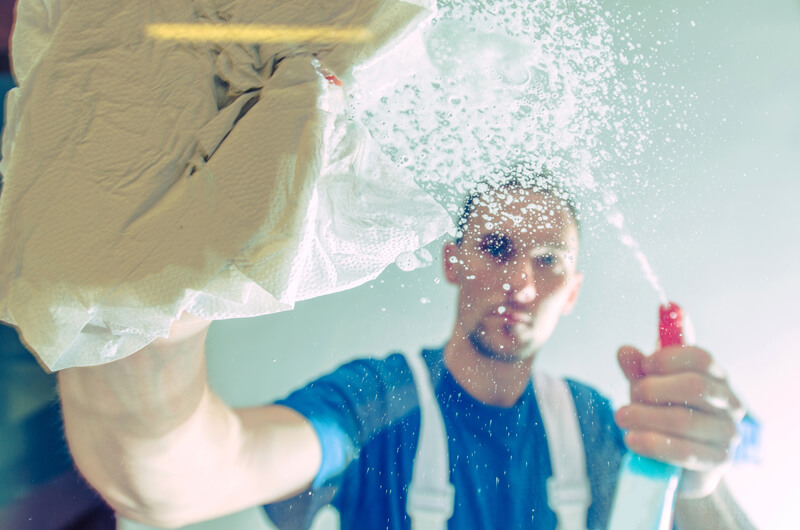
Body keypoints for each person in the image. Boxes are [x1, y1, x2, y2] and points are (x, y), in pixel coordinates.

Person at [57, 171, 753, 529]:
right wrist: (150, 280)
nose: (518, 283)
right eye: (498, 248)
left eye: (548, 262)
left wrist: (699, 479)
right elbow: (182, 473)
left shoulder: (605, 426)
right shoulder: (375, 405)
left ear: (571, 293)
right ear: (452, 261)